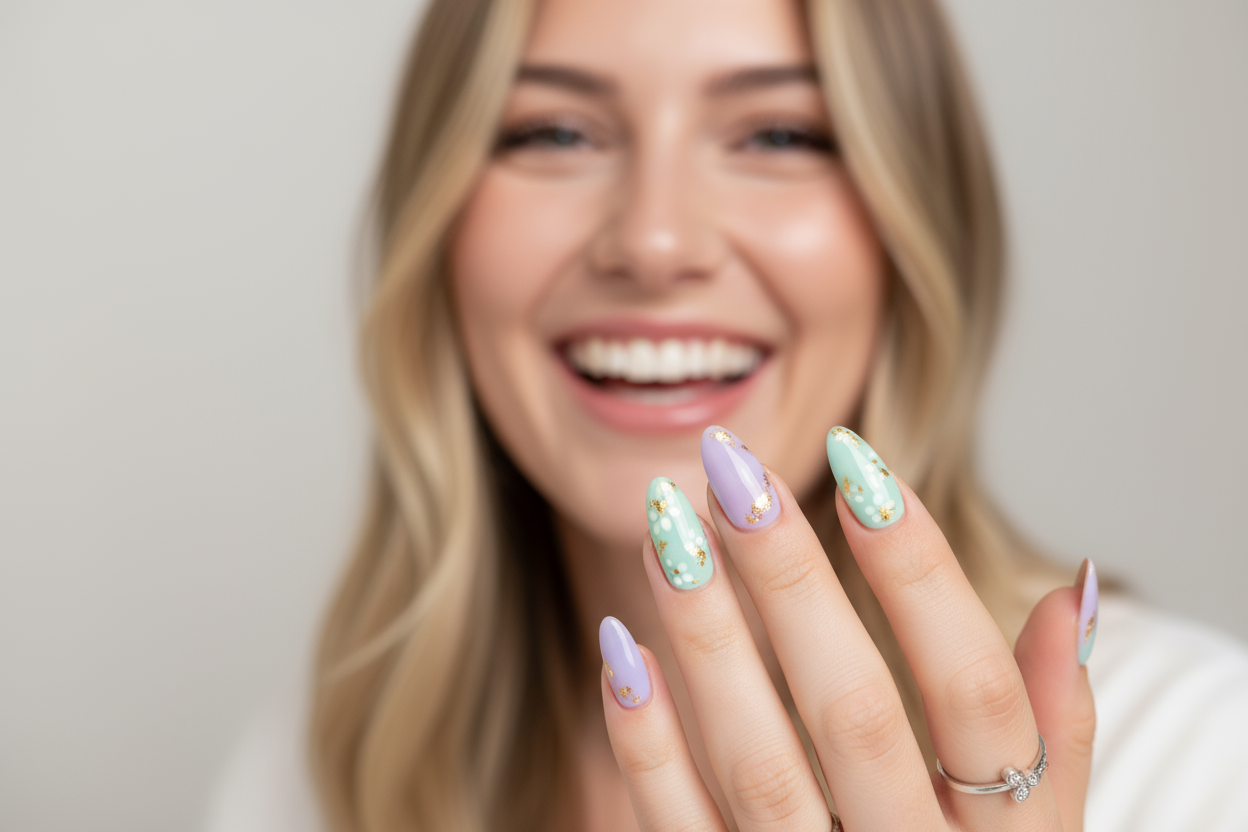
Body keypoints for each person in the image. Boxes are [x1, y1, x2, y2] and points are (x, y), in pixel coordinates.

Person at [206, 0, 1248, 830]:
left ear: (913, 230)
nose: (655, 240)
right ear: (433, 232)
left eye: (779, 133)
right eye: (555, 130)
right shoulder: (307, 779)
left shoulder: (1201, 761)